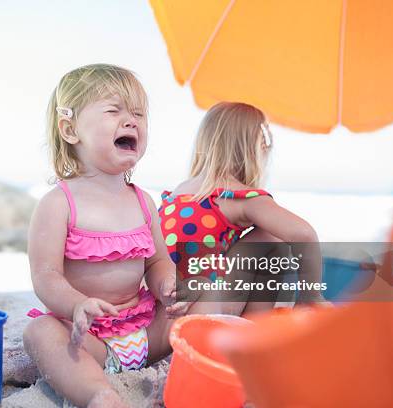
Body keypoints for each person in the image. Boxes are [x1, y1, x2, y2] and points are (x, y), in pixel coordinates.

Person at [23, 64, 222, 408]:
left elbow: (157, 262)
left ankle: (218, 355)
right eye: (114, 110)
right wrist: (76, 305)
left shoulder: (143, 201)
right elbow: (45, 276)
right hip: (88, 338)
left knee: (209, 288)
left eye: (139, 114)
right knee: (39, 333)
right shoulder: (59, 204)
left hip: (147, 330)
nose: (131, 121)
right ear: (70, 130)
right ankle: (98, 393)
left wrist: (167, 286)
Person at [158, 101, 329, 316]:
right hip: (203, 310)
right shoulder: (240, 197)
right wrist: (310, 295)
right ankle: (253, 329)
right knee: (271, 240)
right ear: (255, 151)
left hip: (163, 309)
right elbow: (304, 234)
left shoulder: (177, 193)